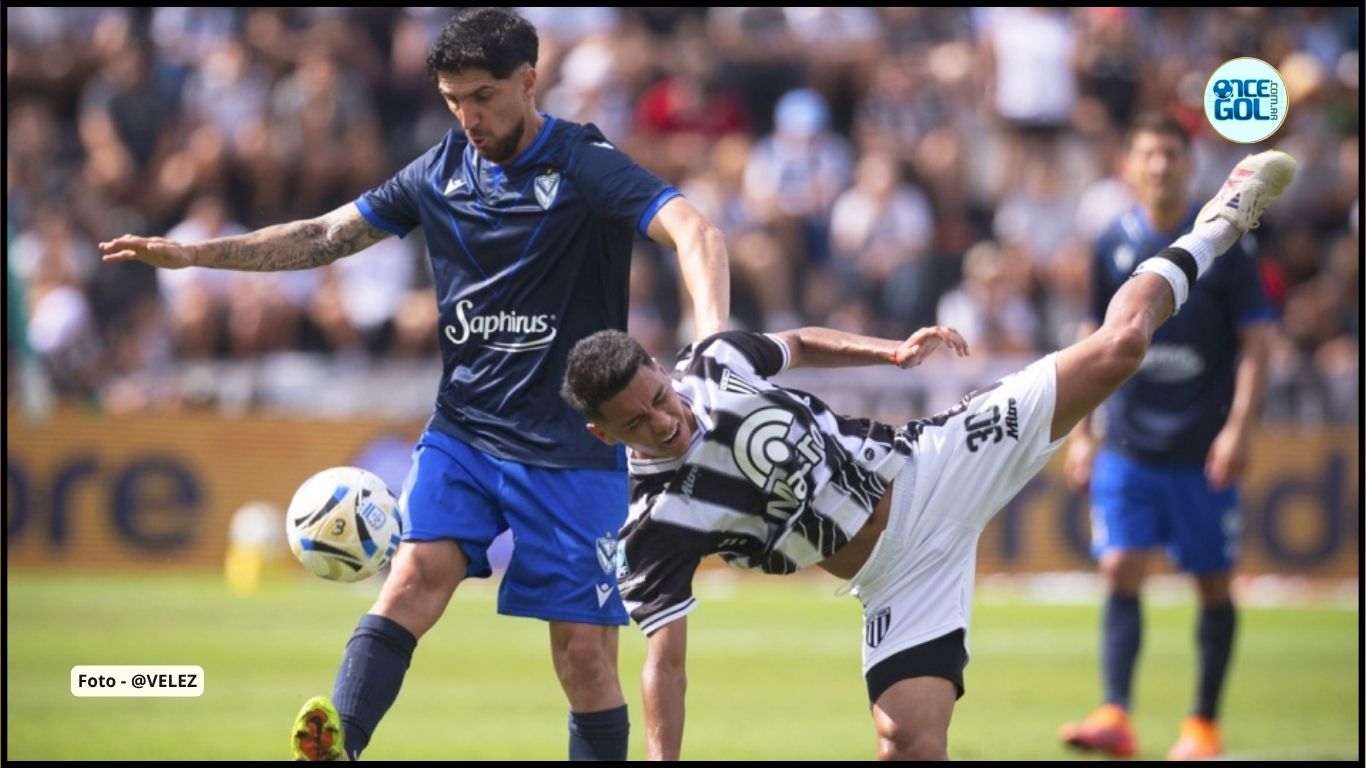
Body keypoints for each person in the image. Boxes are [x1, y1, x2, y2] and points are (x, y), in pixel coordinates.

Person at [100, 8, 729, 761]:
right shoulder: (438, 172)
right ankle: (338, 744)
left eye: (484, 96)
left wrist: (715, 340)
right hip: (464, 432)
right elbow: (325, 236)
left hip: (572, 445)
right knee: (409, 584)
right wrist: (197, 254)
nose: (468, 116)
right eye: (453, 98)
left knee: (584, 660)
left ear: (529, 81)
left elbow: (696, 230)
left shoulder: (584, 163)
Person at [560, 150, 1295, 760]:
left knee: (1123, 346)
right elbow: (666, 662)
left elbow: (800, 344)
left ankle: (1218, 223)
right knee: (910, 745)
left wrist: (889, 349)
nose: (663, 420)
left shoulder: (715, 363)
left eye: (657, 396)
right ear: (605, 435)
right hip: (895, 578)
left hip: (933, 463)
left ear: (659, 366)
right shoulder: (650, 525)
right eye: (636, 423)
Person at [1057, 114, 1275, 760]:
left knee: (1211, 581)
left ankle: (1203, 725)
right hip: (1127, 441)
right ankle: (1114, 714)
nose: (1159, 166)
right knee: (1120, 567)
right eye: (1148, 155)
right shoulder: (1109, 243)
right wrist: (1083, 430)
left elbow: (1259, 345)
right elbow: (1094, 339)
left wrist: (1238, 429)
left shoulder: (1226, 245)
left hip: (1200, 445)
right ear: (1128, 165)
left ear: (1190, 166)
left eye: (1171, 155)